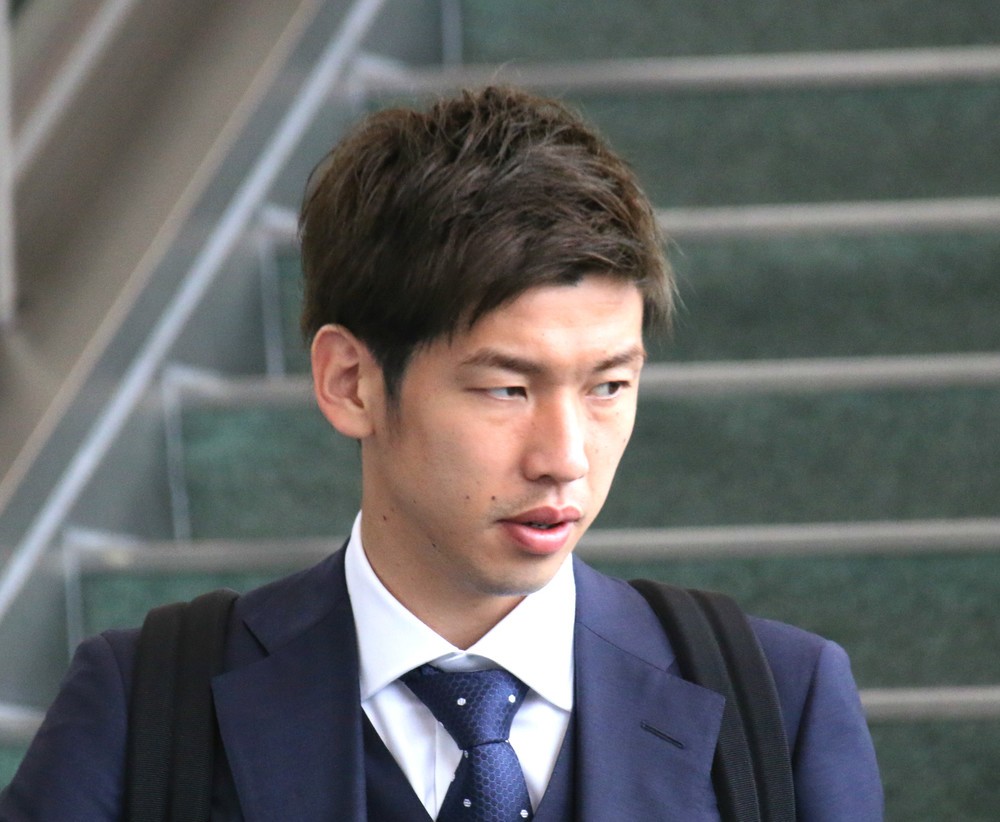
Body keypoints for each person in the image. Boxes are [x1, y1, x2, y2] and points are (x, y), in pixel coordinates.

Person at [0, 86, 882, 820]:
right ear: (350, 382)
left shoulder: (781, 702)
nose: (565, 457)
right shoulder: (142, 708)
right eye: (507, 389)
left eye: (608, 385)